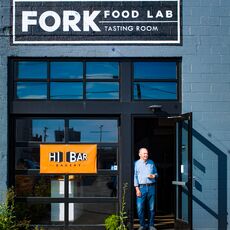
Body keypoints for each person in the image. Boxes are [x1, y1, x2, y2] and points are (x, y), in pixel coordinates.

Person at [134, 147, 158, 230]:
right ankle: (142, 225)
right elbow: (135, 177)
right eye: (144, 153)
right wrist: (137, 189)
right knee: (140, 207)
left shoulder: (151, 162)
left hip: (151, 187)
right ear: (139, 154)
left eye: (147, 153)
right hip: (141, 188)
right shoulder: (136, 164)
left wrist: (153, 175)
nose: (146, 155)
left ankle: (151, 225)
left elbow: (156, 173)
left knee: (151, 208)